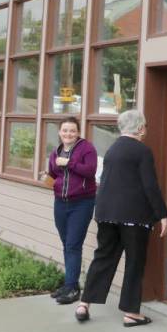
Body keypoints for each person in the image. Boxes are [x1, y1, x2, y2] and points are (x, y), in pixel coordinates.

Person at [75, 110, 167, 328]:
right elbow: (150, 185)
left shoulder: (112, 149)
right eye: (144, 126)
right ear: (139, 128)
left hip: (106, 214)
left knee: (103, 257)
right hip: (134, 217)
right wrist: (162, 214)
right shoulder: (142, 151)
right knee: (134, 262)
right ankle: (131, 313)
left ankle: (84, 304)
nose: (145, 129)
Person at [47, 117, 97, 305]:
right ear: (60, 132)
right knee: (66, 243)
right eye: (65, 131)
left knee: (73, 245)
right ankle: (69, 284)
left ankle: (72, 288)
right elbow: (53, 174)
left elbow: (90, 171)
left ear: (78, 133)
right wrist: (47, 177)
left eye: (72, 131)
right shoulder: (56, 151)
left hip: (82, 203)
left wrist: (68, 163)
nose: (68, 134)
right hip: (60, 202)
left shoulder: (87, 148)